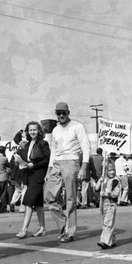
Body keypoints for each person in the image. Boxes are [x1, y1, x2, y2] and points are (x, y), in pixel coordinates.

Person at [44, 102, 91, 243]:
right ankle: (64, 225)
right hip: (57, 163)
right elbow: (53, 152)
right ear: (56, 114)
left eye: (64, 113)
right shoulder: (55, 130)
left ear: (68, 112)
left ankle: (70, 232)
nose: (61, 115)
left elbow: (86, 148)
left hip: (72, 162)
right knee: (48, 196)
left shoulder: (77, 126)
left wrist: (83, 168)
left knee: (70, 199)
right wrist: (49, 170)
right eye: (58, 113)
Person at [15, 121, 50, 238]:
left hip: (38, 175)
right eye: (30, 130)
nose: (32, 132)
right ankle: (42, 228)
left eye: (34, 130)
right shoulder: (27, 143)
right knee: (39, 204)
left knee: (28, 202)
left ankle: (24, 229)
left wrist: (33, 165)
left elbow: (46, 160)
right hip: (29, 176)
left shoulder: (43, 143)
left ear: (39, 131)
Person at [96, 160, 121, 249]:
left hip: (111, 204)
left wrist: (106, 194)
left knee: (108, 223)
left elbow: (116, 194)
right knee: (105, 223)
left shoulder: (116, 181)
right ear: (105, 171)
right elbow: (96, 188)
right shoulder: (104, 179)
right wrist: (100, 181)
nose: (112, 172)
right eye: (109, 170)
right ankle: (112, 240)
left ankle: (104, 241)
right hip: (103, 204)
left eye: (113, 170)